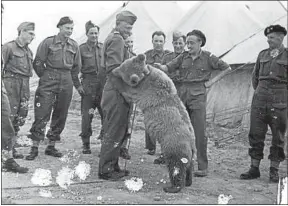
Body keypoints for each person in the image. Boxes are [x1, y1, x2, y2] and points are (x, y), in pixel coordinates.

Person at [155, 30, 231, 177]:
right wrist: (159, 67)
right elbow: (168, 68)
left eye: (191, 43)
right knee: (181, 131)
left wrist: (211, 82)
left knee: (199, 132)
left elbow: (227, 68)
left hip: (198, 95)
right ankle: (184, 163)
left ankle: (202, 166)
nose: (188, 45)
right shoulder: (183, 57)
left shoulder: (208, 57)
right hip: (183, 93)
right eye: (187, 43)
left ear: (200, 42)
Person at [25, 16, 82, 160]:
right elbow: (38, 62)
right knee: (42, 112)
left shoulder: (74, 45)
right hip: (49, 78)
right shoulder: (48, 42)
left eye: (71, 28)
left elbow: (76, 67)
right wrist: (45, 76)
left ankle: (51, 146)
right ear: (60, 27)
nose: (69, 31)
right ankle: (34, 147)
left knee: (61, 113)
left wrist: (71, 80)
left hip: (66, 79)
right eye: (67, 28)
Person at [240, 24, 287, 183]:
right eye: (268, 37)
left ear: (281, 38)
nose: (268, 40)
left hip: (280, 102)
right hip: (260, 100)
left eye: (272, 37)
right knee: (255, 133)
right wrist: (261, 92)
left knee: (278, 136)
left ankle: (274, 170)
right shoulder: (262, 55)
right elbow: (255, 77)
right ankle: (254, 168)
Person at [98, 10, 137, 181]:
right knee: (114, 130)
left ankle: (113, 165)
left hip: (119, 90)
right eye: (127, 26)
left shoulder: (118, 39)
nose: (129, 30)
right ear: (118, 23)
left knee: (119, 130)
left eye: (131, 27)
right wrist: (125, 92)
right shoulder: (116, 39)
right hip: (116, 91)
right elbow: (114, 68)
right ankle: (106, 169)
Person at [1, 2, 29, 173]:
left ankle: (8, 158)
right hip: (9, 84)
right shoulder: (8, 47)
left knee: (8, 123)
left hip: (7, 87)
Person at [2, 22, 35, 159]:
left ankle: (12, 147)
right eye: (30, 33)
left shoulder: (29, 51)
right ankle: (6, 148)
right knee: (8, 116)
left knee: (20, 116)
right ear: (21, 31)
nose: (33, 36)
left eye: (34, 34)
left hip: (24, 85)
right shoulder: (8, 47)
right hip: (11, 85)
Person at [153, 31, 187, 164]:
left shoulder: (187, 58)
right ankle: (165, 153)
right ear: (172, 44)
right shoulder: (167, 58)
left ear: (184, 45)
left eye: (180, 43)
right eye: (176, 43)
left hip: (183, 94)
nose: (178, 46)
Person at [79, 20, 106, 154]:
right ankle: (86, 144)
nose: (94, 35)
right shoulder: (81, 49)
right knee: (87, 116)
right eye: (91, 33)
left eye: (96, 33)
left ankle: (104, 142)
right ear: (87, 34)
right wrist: (79, 86)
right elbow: (76, 68)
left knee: (105, 115)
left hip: (102, 86)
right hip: (88, 86)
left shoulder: (103, 47)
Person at [144, 31, 171, 156]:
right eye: (156, 41)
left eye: (161, 41)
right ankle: (150, 147)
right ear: (152, 41)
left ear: (164, 42)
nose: (158, 43)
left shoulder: (170, 56)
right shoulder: (146, 55)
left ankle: (164, 148)